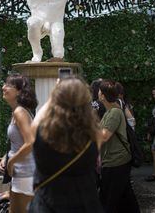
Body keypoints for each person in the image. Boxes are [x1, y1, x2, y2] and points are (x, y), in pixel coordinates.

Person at [29, 77, 102, 212]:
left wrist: (54, 95)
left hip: (48, 204)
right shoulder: (95, 135)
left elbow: (35, 123)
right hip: (85, 204)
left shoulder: (41, 132)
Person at [98, 79, 140, 213]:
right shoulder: (109, 112)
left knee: (109, 199)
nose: (98, 93)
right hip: (115, 161)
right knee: (124, 197)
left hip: (116, 161)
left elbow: (104, 136)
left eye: (99, 91)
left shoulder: (114, 112)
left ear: (103, 96)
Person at [0, 74, 37, 213]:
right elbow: (20, 142)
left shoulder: (20, 112)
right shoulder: (18, 111)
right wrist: (6, 157)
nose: (3, 87)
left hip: (25, 173)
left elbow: (30, 142)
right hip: (21, 173)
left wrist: (11, 161)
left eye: (9, 85)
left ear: (19, 91)